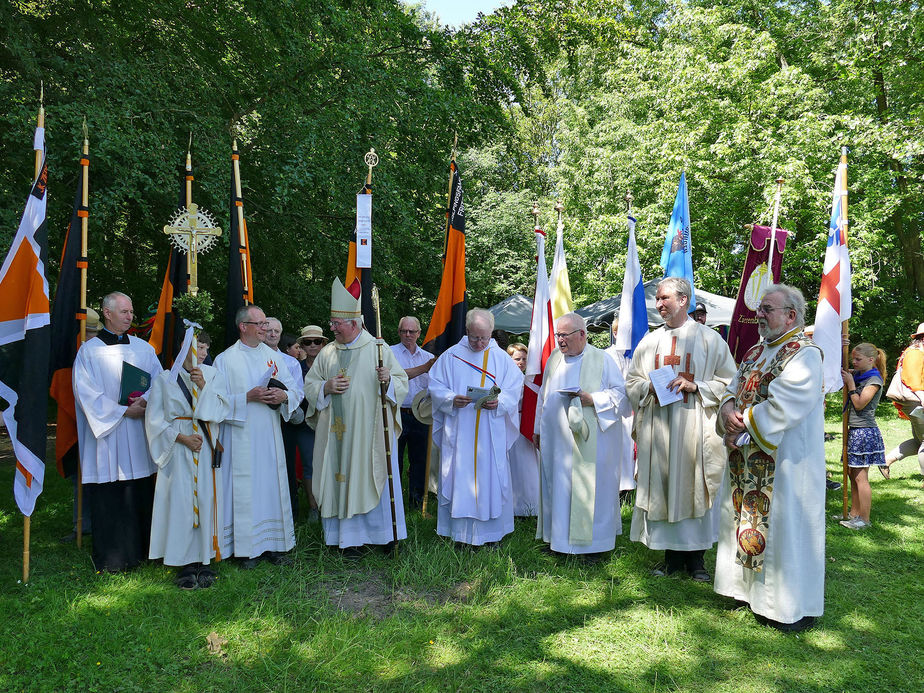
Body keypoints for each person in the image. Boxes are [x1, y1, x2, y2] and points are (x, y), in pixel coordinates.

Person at [715, 283, 825, 631]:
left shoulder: (804, 354)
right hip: (746, 456)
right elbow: (732, 389)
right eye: (760, 309)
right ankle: (746, 593)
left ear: (791, 315)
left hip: (787, 463)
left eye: (767, 309)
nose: (758, 315)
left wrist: (741, 421)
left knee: (782, 529)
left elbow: (785, 406)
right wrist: (728, 409)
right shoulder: (755, 352)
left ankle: (784, 607)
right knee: (743, 521)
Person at [626, 277, 736, 580]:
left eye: (665, 299)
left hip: (695, 428)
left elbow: (731, 383)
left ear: (683, 300)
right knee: (663, 487)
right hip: (658, 430)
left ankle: (697, 560)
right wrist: (649, 385)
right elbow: (631, 381)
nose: (659, 304)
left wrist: (696, 384)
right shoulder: (649, 342)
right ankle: (670, 558)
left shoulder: (709, 340)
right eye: (658, 300)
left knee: (694, 486)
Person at [304, 279, 409, 554]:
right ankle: (347, 542)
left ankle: (383, 537)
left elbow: (401, 383)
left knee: (375, 476)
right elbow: (310, 385)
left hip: (370, 435)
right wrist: (325, 387)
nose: (332, 328)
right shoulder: (327, 353)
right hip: (335, 434)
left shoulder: (378, 349)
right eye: (332, 322)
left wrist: (388, 382)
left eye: (336, 323)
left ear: (354, 323)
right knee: (340, 479)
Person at [72, 291, 163, 572]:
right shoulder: (89, 351)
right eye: (124, 312)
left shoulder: (143, 349)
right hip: (108, 437)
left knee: (140, 490)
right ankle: (113, 559)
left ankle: (147, 551)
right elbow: (85, 394)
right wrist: (124, 410)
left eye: (131, 311)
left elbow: (159, 382)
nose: (130, 316)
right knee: (111, 493)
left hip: (138, 435)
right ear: (107, 314)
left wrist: (147, 402)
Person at [535, 313, 629, 559]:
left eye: (565, 336)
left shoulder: (602, 360)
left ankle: (593, 548)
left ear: (582, 334)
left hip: (592, 442)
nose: (560, 341)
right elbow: (542, 397)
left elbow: (621, 396)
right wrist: (537, 429)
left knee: (591, 490)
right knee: (559, 488)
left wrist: (593, 399)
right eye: (558, 335)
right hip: (557, 442)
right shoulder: (554, 360)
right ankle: (559, 542)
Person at [213, 305, 300, 567]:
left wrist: (283, 395)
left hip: (270, 433)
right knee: (245, 490)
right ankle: (244, 549)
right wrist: (247, 397)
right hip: (240, 435)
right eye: (260, 324)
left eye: (265, 324)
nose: (265, 329)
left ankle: (274, 545)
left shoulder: (273, 357)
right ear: (243, 327)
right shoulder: (225, 360)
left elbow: (295, 388)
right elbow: (215, 402)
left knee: (270, 486)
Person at [428, 308, 523, 546]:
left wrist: (499, 403)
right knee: (460, 477)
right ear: (467, 331)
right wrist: (451, 399)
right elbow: (435, 385)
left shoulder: (500, 357)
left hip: (490, 432)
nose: (480, 343)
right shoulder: (451, 356)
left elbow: (514, 387)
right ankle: (459, 535)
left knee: (489, 477)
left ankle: (491, 534)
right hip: (460, 430)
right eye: (475, 337)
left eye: (484, 338)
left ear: (491, 333)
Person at [146, 329, 233, 588]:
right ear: (183, 349)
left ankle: (204, 559)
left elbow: (221, 410)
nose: (202, 354)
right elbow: (154, 419)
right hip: (178, 446)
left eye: (205, 349)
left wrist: (203, 387)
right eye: (197, 348)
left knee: (205, 498)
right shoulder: (164, 379)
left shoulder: (213, 376)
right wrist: (181, 438)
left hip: (204, 444)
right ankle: (183, 562)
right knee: (181, 501)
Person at [60, 307, 101, 544]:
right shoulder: (74, 351)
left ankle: (97, 521)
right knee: (80, 475)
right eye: (89, 333)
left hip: (103, 421)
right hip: (80, 421)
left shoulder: (102, 352)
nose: (91, 337)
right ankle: (82, 523)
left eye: (94, 333)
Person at [839, 343, 888, 529]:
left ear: (871, 360)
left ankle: (864, 520)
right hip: (855, 430)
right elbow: (844, 369)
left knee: (861, 477)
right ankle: (854, 514)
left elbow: (859, 404)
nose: (854, 362)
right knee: (852, 474)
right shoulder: (860, 375)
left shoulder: (874, 380)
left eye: (858, 359)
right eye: (853, 358)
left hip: (865, 432)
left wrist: (851, 385)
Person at [264, 317, 308, 519]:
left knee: (287, 465)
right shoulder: (253, 358)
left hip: (285, 419)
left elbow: (298, 392)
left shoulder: (290, 362)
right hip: (261, 419)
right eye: (269, 330)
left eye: (277, 332)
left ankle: (291, 513)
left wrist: (283, 396)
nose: (273, 334)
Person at [390, 316, 435, 508]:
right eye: (404, 331)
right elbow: (397, 377)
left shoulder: (427, 356)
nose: (408, 335)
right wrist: (424, 369)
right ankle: (395, 503)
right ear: (399, 332)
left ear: (419, 333)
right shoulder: (389, 353)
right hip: (396, 413)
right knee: (395, 460)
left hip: (421, 415)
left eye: (412, 331)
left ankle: (417, 503)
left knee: (420, 460)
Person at [883, 323, 924, 478]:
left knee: (919, 440)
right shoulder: (915, 353)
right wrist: (923, 398)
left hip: (916, 400)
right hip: (916, 400)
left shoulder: (919, 352)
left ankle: (886, 461)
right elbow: (913, 379)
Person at [603, 318, 637, 497]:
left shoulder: (635, 354)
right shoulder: (606, 355)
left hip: (632, 408)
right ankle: (618, 486)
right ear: (614, 333)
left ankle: (630, 483)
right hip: (614, 407)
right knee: (617, 447)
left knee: (630, 447)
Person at [296, 325, 328, 514]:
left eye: (318, 341)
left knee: (329, 462)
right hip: (305, 424)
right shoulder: (295, 368)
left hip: (328, 422)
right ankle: (313, 506)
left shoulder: (332, 366)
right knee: (309, 463)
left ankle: (329, 503)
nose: (313, 345)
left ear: (324, 344)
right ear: (302, 346)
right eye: (308, 342)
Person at [506, 342, 539, 516]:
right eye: (517, 358)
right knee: (514, 464)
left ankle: (531, 504)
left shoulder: (529, 379)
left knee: (529, 463)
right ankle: (514, 505)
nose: (520, 362)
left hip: (526, 423)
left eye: (524, 359)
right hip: (512, 422)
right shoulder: (505, 378)